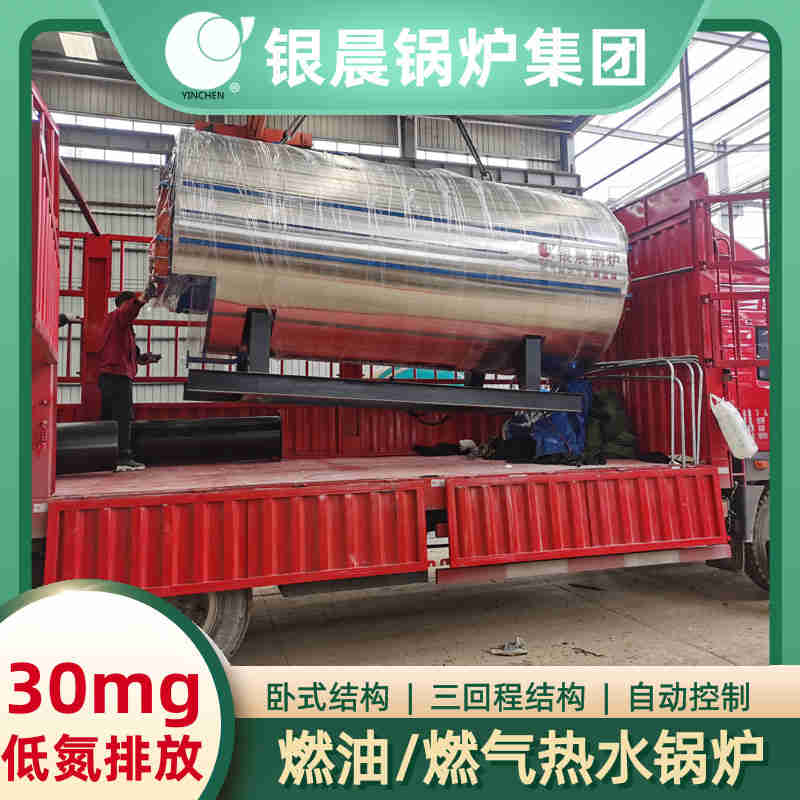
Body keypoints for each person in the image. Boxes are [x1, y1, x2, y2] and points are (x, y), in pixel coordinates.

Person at [98, 287, 161, 471]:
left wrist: (146, 358)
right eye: (131, 305)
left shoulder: (122, 328)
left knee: (111, 417)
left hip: (111, 375)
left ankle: (108, 456)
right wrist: (142, 298)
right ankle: (123, 458)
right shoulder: (117, 317)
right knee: (123, 417)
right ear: (125, 304)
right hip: (117, 376)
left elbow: (133, 355)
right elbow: (128, 311)